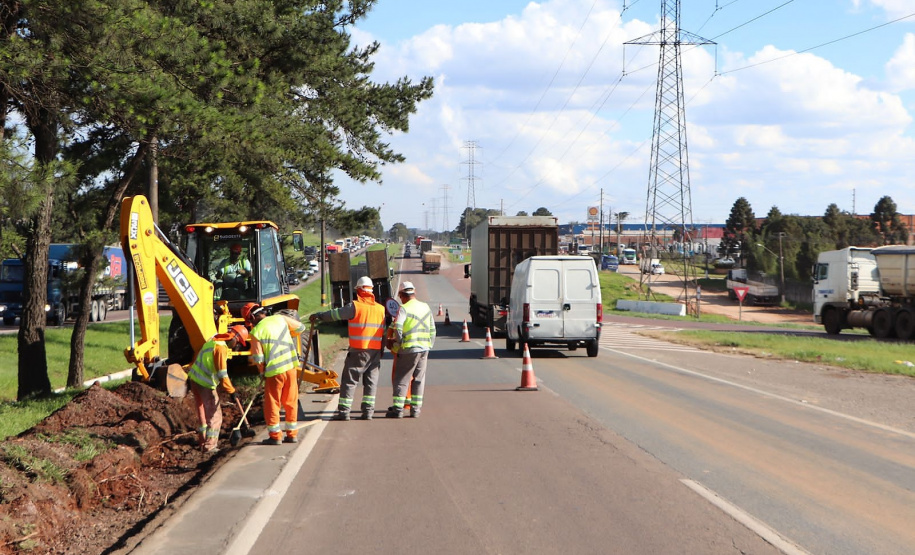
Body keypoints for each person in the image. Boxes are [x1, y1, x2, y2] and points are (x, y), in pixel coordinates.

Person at [310, 276, 386, 421]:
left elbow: (335, 314)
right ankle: (368, 412)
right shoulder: (380, 309)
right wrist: (381, 349)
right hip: (375, 351)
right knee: (371, 382)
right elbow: (383, 331)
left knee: (350, 381)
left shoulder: (355, 306)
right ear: (371, 291)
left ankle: (344, 412)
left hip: (358, 350)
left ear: (359, 290)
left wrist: (319, 316)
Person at [243, 302, 307, 445]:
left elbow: (258, 358)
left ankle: (275, 436)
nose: (251, 324)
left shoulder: (256, 332)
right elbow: (301, 327)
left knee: (273, 403)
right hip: (290, 367)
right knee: (290, 401)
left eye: (250, 321)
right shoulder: (280, 318)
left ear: (253, 317)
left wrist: (262, 372)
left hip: (274, 372)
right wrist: (287, 334)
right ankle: (292, 434)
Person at [187, 325, 247, 453]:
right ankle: (210, 446)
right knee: (215, 415)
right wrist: (232, 391)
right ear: (234, 337)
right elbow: (222, 375)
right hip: (205, 383)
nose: (237, 346)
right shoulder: (220, 349)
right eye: (238, 342)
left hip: (194, 379)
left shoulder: (213, 341)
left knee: (202, 412)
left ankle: (202, 441)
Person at [387, 281, 435, 419]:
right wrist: (429, 344)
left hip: (408, 349)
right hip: (424, 349)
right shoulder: (425, 307)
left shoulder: (404, 308)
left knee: (402, 379)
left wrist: (399, 342)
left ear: (402, 294)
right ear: (414, 293)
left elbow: (398, 327)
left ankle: (398, 409)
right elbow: (432, 329)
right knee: (419, 380)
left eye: (400, 296)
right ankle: (415, 410)